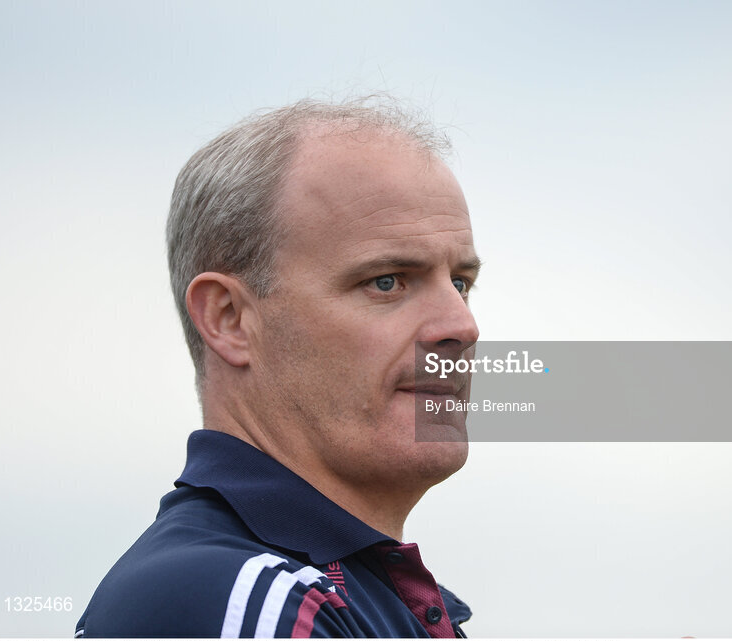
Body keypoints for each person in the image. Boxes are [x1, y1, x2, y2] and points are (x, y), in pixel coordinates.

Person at [76, 97, 481, 638]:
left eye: (460, 283)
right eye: (387, 281)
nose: (461, 326)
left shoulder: (332, 594)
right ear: (230, 319)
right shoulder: (246, 602)